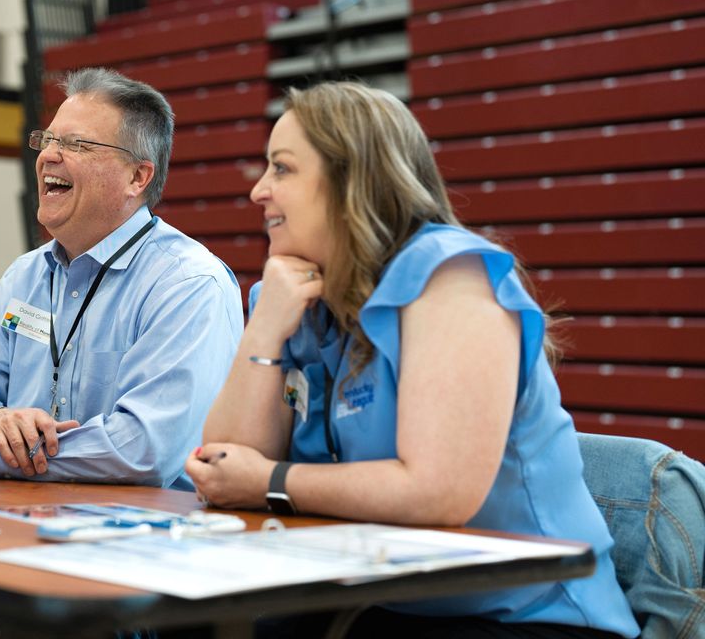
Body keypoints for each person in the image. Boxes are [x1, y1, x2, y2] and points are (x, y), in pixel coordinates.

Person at [185, 82, 639, 638]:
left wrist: (273, 482)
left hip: (528, 616)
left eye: (282, 169)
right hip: (383, 602)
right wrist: (264, 328)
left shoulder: (450, 278)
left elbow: (437, 492)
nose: (259, 191)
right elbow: (225, 471)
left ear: (352, 178)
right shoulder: (289, 297)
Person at [0, 68, 244, 489]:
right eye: (48, 139)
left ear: (137, 177)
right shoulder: (25, 277)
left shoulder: (189, 285)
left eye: (76, 144)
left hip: (144, 538)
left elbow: (146, 449)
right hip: (22, 522)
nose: (49, 155)